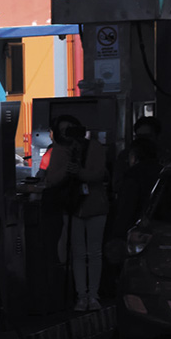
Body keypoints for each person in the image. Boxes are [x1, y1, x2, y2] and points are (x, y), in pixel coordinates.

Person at [45, 115, 109, 312]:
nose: (67, 134)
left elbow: (100, 174)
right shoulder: (58, 151)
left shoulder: (94, 147)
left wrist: (80, 172)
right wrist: (68, 169)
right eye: (63, 130)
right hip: (72, 206)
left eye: (70, 129)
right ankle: (82, 296)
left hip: (95, 206)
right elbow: (52, 179)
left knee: (94, 252)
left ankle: (93, 295)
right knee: (78, 253)